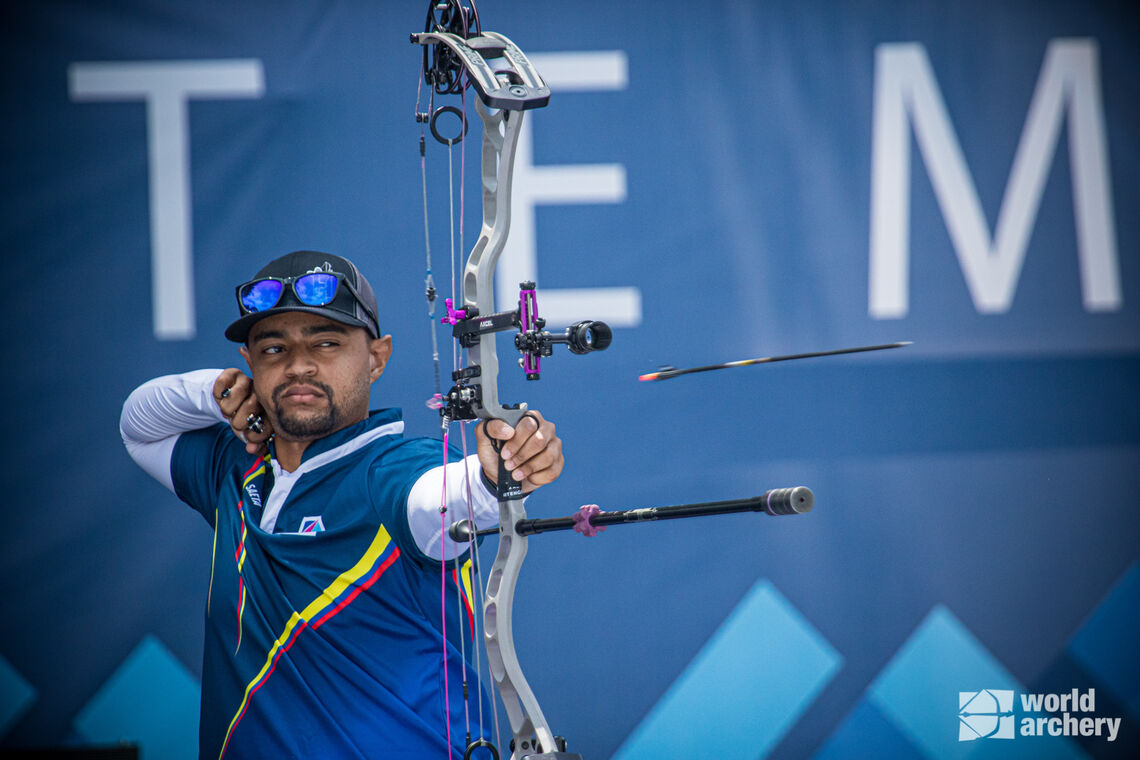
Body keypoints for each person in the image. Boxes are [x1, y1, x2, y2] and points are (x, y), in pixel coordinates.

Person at [120, 250, 564, 759]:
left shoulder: (391, 470)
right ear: (249, 365)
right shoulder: (233, 467)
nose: (298, 366)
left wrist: (503, 472)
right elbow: (137, 426)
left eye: (327, 343)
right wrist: (214, 393)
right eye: (272, 349)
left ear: (377, 357)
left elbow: (446, 497)